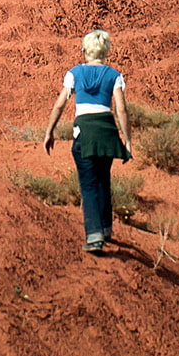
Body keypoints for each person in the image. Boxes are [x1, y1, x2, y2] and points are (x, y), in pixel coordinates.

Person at [42, 28, 132, 255]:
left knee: (89, 183)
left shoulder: (74, 73)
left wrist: (49, 132)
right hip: (107, 131)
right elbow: (121, 108)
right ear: (106, 51)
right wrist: (127, 139)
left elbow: (60, 104)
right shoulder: (114, 75)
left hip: (85, 132)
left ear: (84, 50)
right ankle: (106, 227)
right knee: (103, 178)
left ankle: (94, 236)